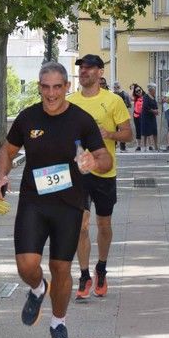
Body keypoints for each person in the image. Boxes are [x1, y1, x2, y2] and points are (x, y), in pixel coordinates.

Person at [0, 62, 111, 338]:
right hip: (33, 201)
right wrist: (1, 176)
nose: (51, 93)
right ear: (39, 87)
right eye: (45, 87)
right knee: (26, 265)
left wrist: (94, 162)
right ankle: (37, 288)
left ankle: (58, 324)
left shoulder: (81, 120)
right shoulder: (28, 117)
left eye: (57, 87)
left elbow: (105, 159)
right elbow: (7, 150)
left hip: (69, 205)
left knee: (61, 268)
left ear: (67, 87)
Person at [68, 54, 132, 300]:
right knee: (81, 225)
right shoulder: (69, 102)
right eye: (81, 68)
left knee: (104, 225)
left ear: (100, 72)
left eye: (89, 68)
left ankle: (101, 268)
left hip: (105, 172)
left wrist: (109, 134)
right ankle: (84, 275)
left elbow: (128, 135)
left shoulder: (113, 101)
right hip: (78, 174)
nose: (83, 71)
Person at [112, 82, 133, 152]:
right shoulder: (112, 95)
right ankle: (116, 147)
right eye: (115, 87)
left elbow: (129, 105)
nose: (116, 88)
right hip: (115, 116)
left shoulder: (123, 94)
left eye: (117, 87)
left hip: (121, 116)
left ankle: (121, 148)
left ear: (119, 87)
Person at [141, 84, 160, 151]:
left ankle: (156, 146)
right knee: (145, 131)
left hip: (152, 117)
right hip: (146, 116)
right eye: (154, 89)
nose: (155, 91)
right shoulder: (146, 96)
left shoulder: (153, 97)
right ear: (151, 90)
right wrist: (153, 111)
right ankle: (144, 146)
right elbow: (145, 106)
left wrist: (157, 111)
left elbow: (156, 105)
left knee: (154, 130)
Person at [131, 84, 145, 150]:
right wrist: (132, 89)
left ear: (141, 90)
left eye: (139, 90)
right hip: (136, 116)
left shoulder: (145, 97)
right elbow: (130, 97)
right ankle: (138, 146)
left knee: (146, 130)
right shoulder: (135, 98)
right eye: (136, 91)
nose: (138, 92)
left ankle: (148, 145)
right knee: (138, 130)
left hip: (144, 116)